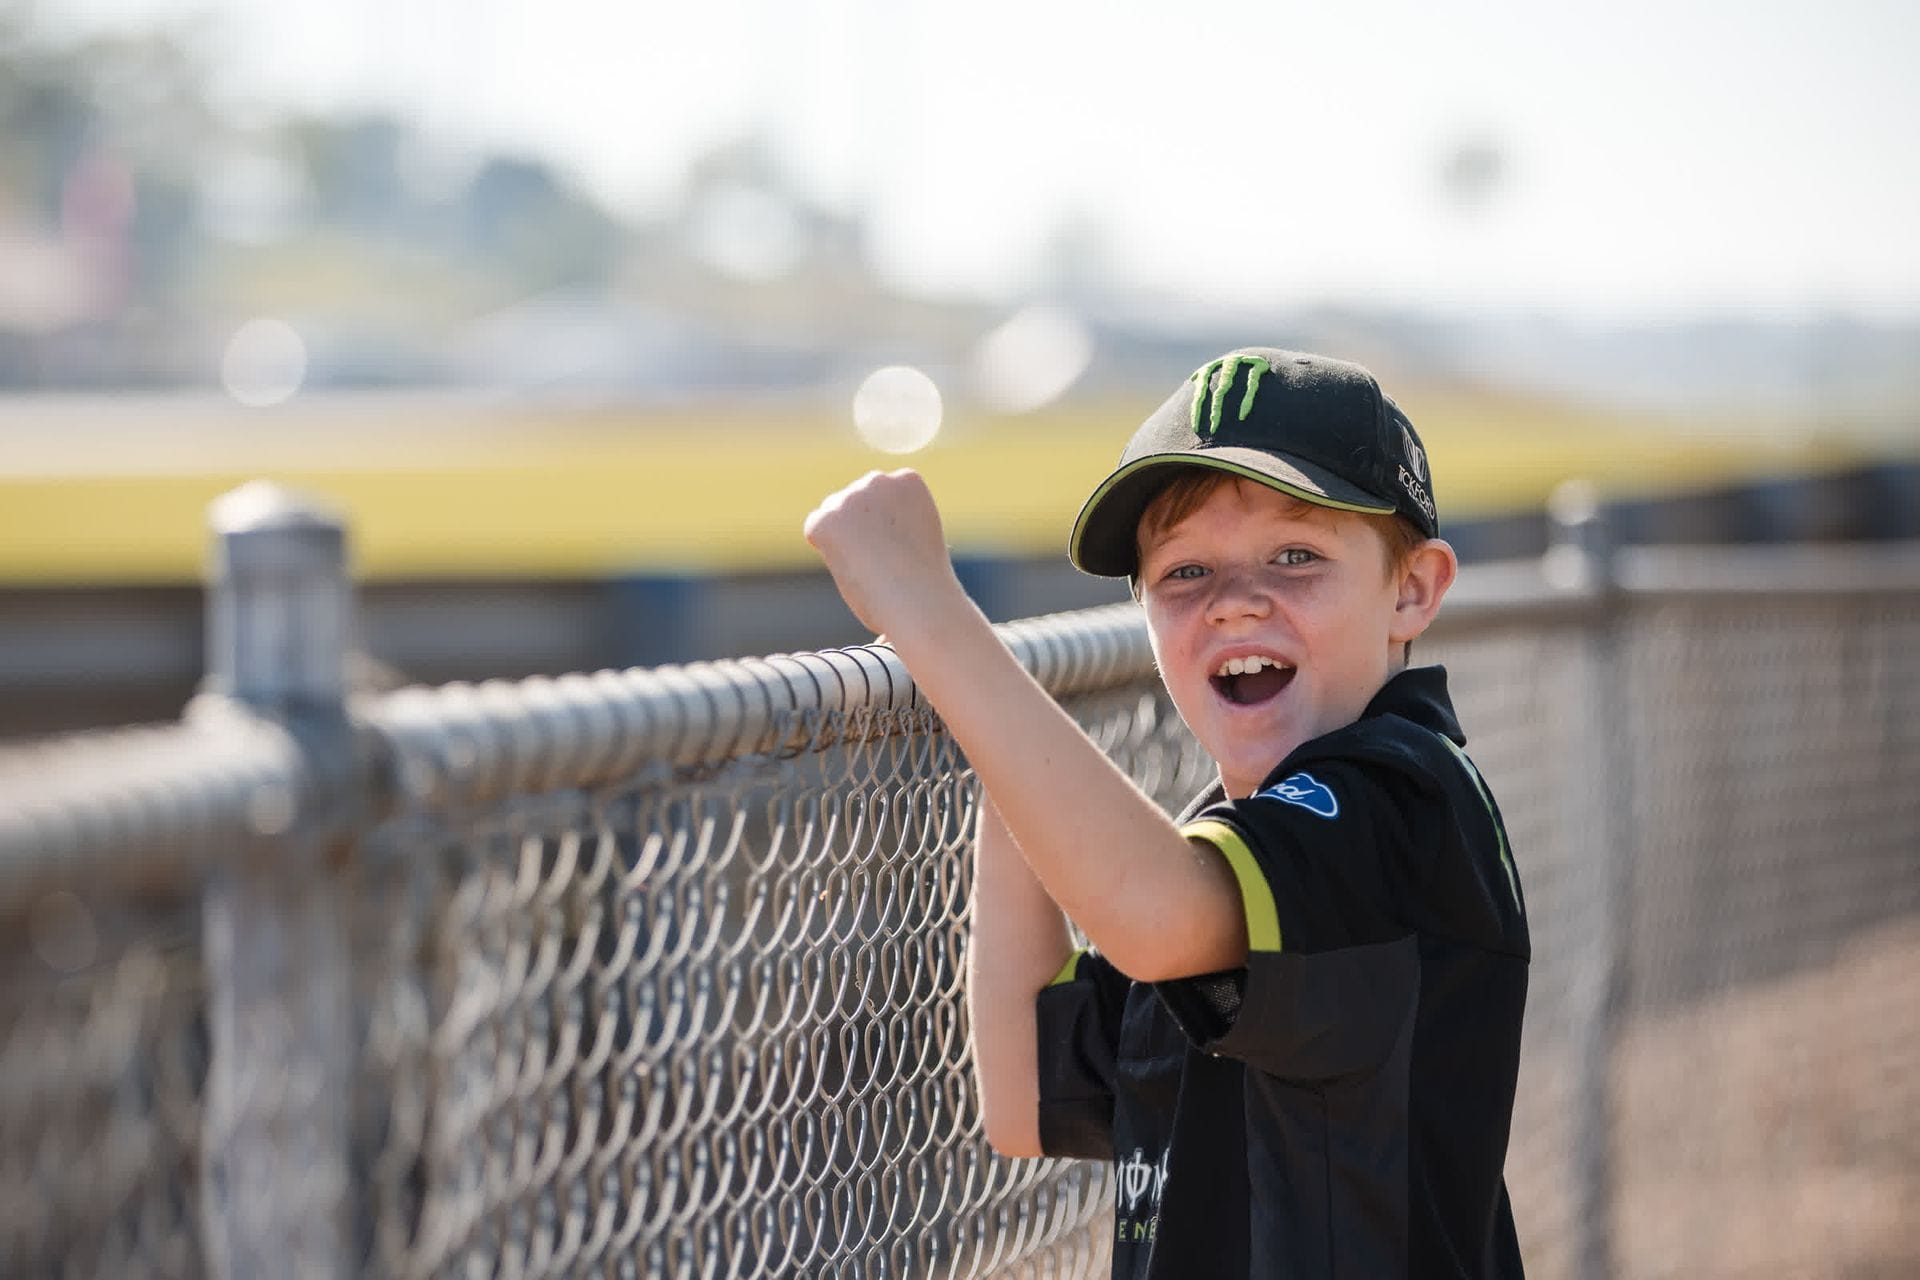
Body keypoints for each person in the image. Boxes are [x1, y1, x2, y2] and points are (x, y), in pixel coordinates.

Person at [804, 348, 1529, 1278]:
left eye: (1297, 556)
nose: (1234, 604)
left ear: (1412, 589)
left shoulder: (1402, 798)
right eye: (1185, 572)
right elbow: (1024, 1096)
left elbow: (1154, 915)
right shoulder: (1222, 850)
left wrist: (928, 611)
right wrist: (1002, 737)